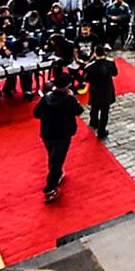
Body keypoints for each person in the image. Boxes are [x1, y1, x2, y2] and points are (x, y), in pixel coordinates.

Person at [34, 73, 83, 202]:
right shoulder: (69, 99)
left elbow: (36, 113)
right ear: (67, 86)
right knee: (57, 160)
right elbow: (79, 111)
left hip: (47, 132)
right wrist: (74, 98)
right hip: (63, 134)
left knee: (52, 154)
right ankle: (50, 188)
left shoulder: (45, 98)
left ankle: (57, 174)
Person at [83, 45, 118, 140]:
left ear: (95, 53)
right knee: (104, 112)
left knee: (94, 108)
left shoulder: (89, 67)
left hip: (95, 91)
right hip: (107, 90)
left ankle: (94, 122)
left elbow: (86, 79)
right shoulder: (110, 63)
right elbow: (115, 73)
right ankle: (102, 131)